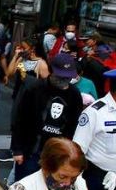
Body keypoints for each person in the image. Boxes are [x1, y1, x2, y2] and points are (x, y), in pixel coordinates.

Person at [11, 52, 83, 182]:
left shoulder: (74, 94)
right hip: (31, 151)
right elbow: (19, 119)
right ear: (51, 71)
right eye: (60, 76)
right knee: (24, 186)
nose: (64, 80)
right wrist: (17, 149)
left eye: (67, 77)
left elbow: (73, 125)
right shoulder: (35, 88)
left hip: (57, 154)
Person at [6, 36, 50, 100]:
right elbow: (9, 73)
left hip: (30, 98)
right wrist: (15, 56)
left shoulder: (41, 63)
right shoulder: (22, 59)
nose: (22, 50)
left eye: (24, 48)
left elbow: (46, 85)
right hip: (18, 95)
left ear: (33, 49)